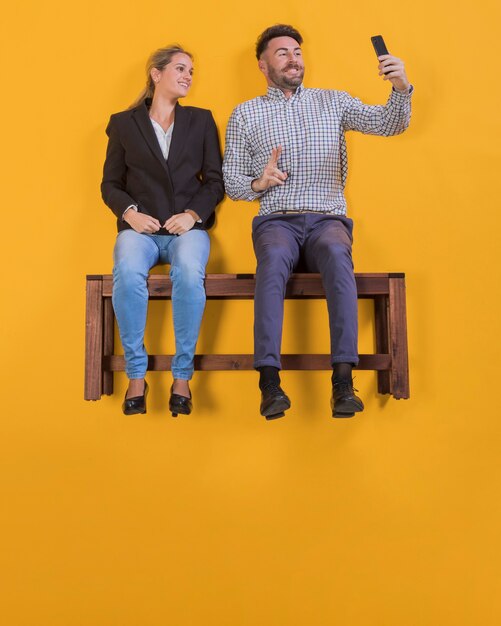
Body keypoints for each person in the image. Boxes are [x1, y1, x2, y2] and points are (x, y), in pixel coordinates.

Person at [223, 25, 412, 420]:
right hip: (277, 220)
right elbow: (233, 183)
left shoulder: (333, 101)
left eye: (297, 51)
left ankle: (343, 381)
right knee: (272, 262)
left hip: (327, 217)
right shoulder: (246, 113)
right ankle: (269, 383)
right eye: (282, 53)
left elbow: (389, 123)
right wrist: (260, 182)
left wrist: (400, 88)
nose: (293, 58)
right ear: (263, 65)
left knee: (337, 255)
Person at [102, 45, 224, 417]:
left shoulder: (202, 121)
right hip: (141, 230)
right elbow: (110, 184)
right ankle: (136, 375)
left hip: (187, 230)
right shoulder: (123, 124)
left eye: (192, 70)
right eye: (180, 68)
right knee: (126, 268)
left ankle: (182, 375)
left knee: (189, 273)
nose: (189, 75)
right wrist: (130, 213)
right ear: (156, 74)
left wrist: (192, 214)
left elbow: (215, 181)